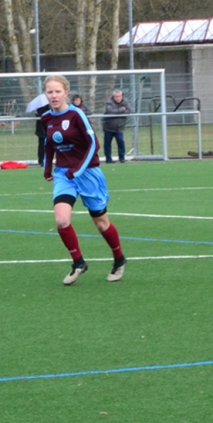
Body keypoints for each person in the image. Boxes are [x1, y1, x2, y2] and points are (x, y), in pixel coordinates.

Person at [41, 74, 127, 285]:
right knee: (61, 220)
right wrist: (47, 167)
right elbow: (48, 144)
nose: (54, 95)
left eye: (57, 91)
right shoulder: (46, 118)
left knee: (101, 223)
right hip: (64, 175)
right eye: (50, 92)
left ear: (65, 93)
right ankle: (78, 263)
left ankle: (119, 259)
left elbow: (94, 144)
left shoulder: (77, 114)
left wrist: (78, 169)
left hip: (87, 173)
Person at [103, 89, 132, 163]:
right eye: (116, 96)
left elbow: (128, 110)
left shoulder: (125, 101)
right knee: (107, 143)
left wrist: (117, 112)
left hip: (120, 128)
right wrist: (121, 109)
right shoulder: (109, 102)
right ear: (113, 96)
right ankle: (108, 159)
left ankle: (122, 158)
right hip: (108, 127)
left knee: (120, 142)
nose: (118, 98)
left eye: (119, 96)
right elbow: (110, 112)